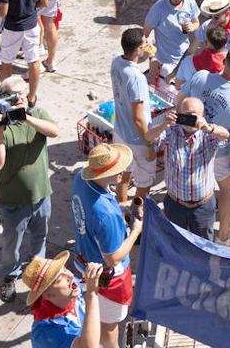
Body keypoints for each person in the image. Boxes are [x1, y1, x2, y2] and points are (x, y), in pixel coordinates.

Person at [0, 76, 58, 304]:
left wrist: (26, 117)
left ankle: (37, 273)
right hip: (13, 202)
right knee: (11, 245)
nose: (19, 99)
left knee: (40, 237)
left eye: (22, 94)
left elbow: (54, 131)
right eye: (13, 96)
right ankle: (10, 275)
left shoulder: (36, 114)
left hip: (41, 195)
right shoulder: (1, 126)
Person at [70, 143, 143, 348]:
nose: (123, 171)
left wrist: (121, 206)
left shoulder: (79, 179)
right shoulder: (106, 215)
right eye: (117, 169)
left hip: (83, 262)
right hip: (109, 278)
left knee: (95, 313)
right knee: (110, 327)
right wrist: (136, 230)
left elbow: (91, 210)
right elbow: (113, 257)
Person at [177, 46, 230, 247]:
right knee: (226, 189)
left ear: (224, 61)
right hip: (218, 152)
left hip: (189, 143)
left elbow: (179, 100)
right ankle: (224, 235)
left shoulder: (201, 77)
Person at [144, 96, 228, 240]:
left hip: (203, 207)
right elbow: (148, 137)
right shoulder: (171, 131)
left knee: (204, 247)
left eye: (194, 116)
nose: (190, 120)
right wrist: (164, 125)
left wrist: (209, 128)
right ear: (178, 113)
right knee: (176, 242)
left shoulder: (208, 135)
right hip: (175, 205)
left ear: (202, 116)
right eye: (186, 115)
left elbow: (226, 135)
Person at [22, 252, 105, 348]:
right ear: (48, 295)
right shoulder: (45, 333)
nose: (70, 275)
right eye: (59, 278)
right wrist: (92, 293)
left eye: (65, 269)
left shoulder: (71, 289)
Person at [0, 0, 49, 104]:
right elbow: (45, 2)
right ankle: (32, 96)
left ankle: (7, 96)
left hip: (12, 28)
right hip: (32, 25)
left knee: (7, 61)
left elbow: (3, 12)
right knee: (33, 61)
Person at [110, 29, 154, 204]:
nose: (146, 46)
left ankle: (121, 212)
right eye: (144, 44)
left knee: (124, 176)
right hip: (137, 139)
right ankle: (138, 215)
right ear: (137, 50)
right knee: (145, 181)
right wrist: (149, 144)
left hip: (120, 132)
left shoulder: (115, 61)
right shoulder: (136, 78)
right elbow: (138, 118)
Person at [142, 0, 200, 86]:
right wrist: (152, 57)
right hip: (162, 60)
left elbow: (196, 22)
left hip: (184, 56)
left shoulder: (190, 2)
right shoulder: (158, 8)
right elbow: (144, 36)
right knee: (159, 89)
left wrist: (192, 27)